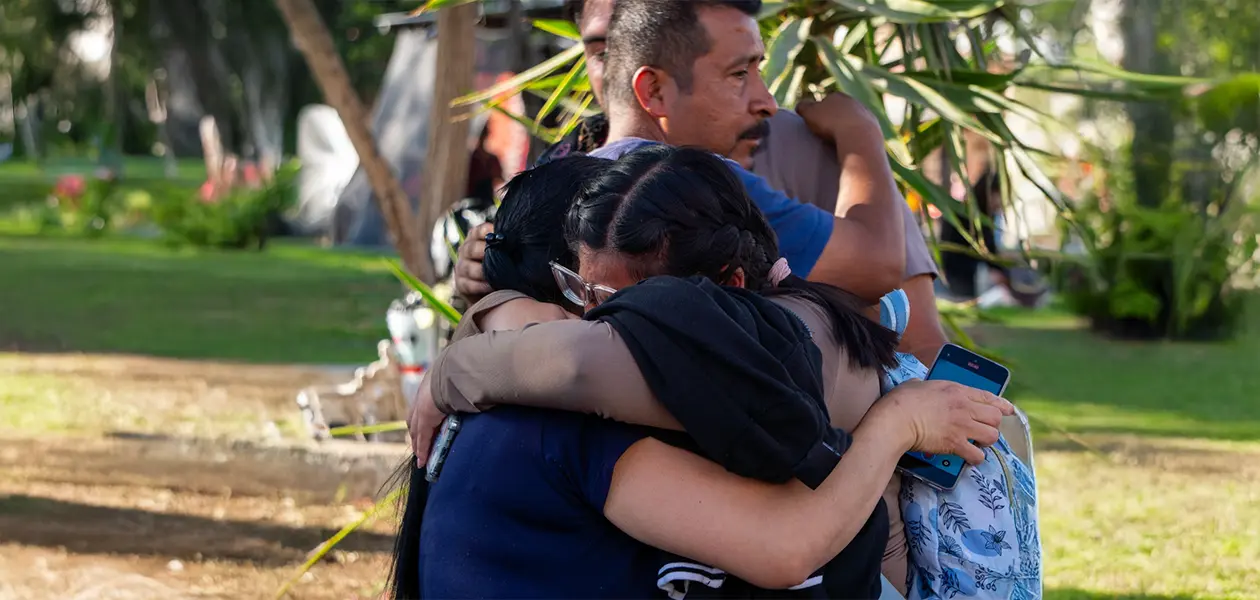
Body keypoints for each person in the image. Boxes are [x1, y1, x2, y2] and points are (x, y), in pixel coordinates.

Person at [397, 150, 1013, 598]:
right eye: (580, 293)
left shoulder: (770, 345)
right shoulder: (567, 417)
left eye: (612, 304)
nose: (596, 316)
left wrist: (457, 360)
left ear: (726, 290)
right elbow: (783, 549)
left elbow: (581, 362)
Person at [457, 0, 949, 363]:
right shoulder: (704, 185)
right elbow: (879, 266)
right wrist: (860, 132)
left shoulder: (546, 181)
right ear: (653, 90)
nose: (766, 101)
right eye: (739, 74)